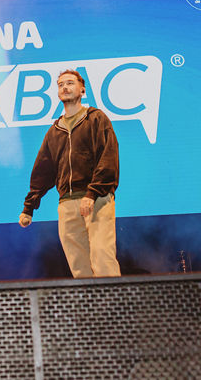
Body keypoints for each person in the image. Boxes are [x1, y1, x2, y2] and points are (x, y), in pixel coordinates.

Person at [19, 69, 121, 278]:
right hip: (67, 204)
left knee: (102, 257)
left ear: (82, 89)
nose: (65, 87)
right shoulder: (55, 130)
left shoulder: (96, 119)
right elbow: (42, 171)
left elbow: (108, 157)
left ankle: (113, 298)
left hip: (97, 200)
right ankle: (89, 301)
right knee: (79, 267)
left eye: (70, 83)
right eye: (61, 84)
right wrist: (29, 207)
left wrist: (92, 193)